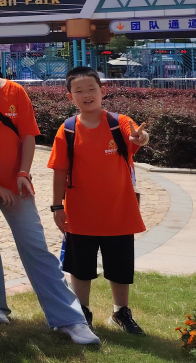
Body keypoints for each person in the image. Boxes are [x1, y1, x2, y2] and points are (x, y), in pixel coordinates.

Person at [0, 36, 99, 345]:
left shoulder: (15, 91)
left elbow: (26, 136)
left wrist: (23, 173)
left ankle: (70, 319)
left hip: (17, 186)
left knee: (36, 248)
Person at [49, 66, 150, 334]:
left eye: (91, 89)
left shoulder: (120, 123)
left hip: (118, 211)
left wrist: (141, 138)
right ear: (70, 97)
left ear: (102, 91)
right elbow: (59, 171)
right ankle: (82, 312)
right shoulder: (68, 130)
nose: (86, 95)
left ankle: (121, 312)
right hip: (80, 214)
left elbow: (137, 138)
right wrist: (57, 206)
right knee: (80, 268)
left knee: (120, 267)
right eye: (78, 91)